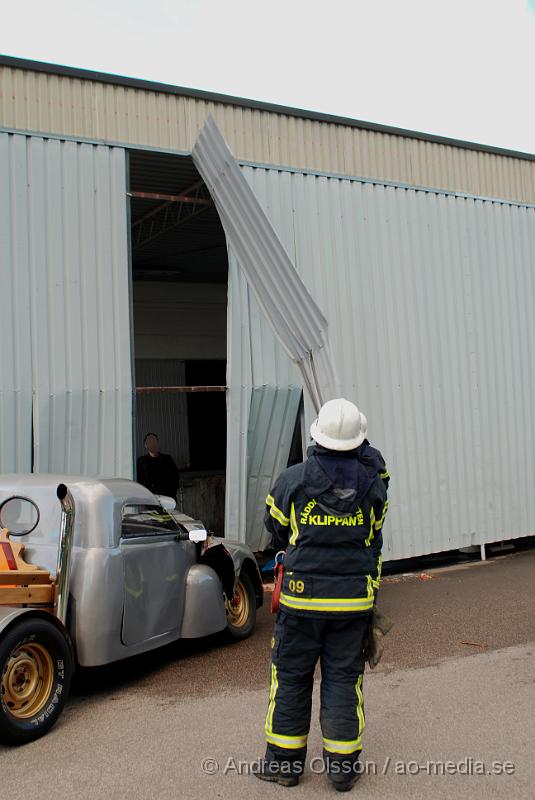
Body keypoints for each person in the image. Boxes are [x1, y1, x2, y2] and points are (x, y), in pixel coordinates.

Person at [256, 398, 389, 792]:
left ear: (317, 434)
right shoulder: (374, 484)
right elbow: (374, 535)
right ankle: (343, 770)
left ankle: (284, 766)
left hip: (300, 603)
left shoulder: (292, 479)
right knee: (344, 682)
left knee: (291, 680)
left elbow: (274, 526)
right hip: (352, 605)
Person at [136, 433, 179, 499]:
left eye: (154, 441)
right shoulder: (141, 461)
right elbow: (139, 481)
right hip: (149, 500)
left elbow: (175, 477)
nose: (152, 443)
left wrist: (172, 495)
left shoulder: (167, 459)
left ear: (157, 443)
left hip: (166, 499)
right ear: (146, 445)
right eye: (149, 441)